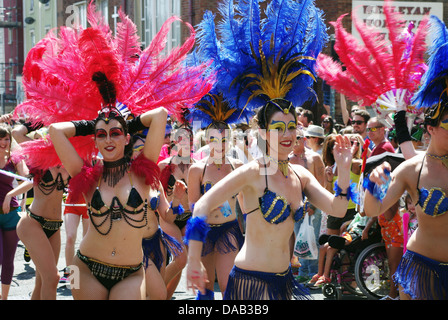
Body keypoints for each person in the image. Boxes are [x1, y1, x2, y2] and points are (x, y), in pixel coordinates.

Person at [187, 92, 245, 299]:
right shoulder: (197, 169)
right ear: (207, 140)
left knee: (229, 282)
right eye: (214, 140)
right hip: (204, 230)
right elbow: (192, 205)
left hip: (228, 231)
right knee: (205, 286)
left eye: (223, 140)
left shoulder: (238, 166)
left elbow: (245, 203)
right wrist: (207, 207)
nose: (219, 145)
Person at [8, 122, 70, 300]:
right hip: (32, 223)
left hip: (55, 226)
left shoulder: (69, 158)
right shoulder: (39, 157)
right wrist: (41, 119)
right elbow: (16, 132)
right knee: (53, 278)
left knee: (43, 282)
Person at [309, 133, 362, 286]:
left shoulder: (355, 164)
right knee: (328, 247)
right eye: (334, 147)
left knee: (341, 248)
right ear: (330, 150)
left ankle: (344, 281)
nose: (337, 149)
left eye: (354, 143)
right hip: (334, 211)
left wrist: (358, 142)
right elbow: (328, 193)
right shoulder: (330, 168)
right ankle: (326, 276)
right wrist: (329, 180)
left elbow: (369, 161)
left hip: (350, 212)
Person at [289, 127, 325, 282]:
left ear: (304, 139)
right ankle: (303, 271)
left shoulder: (314, 157)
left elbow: (321, 183)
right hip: (295, 204)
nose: (295, 141)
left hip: (312, 203)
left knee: (313, 238)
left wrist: (313, 203)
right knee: (300, 239)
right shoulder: (287, 158)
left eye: (298, 137)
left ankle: (314, 272)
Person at [0, 123, 29, 300]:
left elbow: (29, 180)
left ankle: (4, 298)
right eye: (0, 138)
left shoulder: (15, 158)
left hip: (11, 213)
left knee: (8, 260)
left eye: (6, 139)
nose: (3, 142)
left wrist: (9, 195)